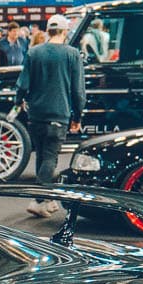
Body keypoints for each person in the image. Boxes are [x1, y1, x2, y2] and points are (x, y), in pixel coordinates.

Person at [20, 22, 87, 216]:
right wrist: (78, 115)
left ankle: (47, 199)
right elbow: (78, 91)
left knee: (42, 156)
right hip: (59, 114)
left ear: (48, 31)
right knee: (50, 157)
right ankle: (38, 200)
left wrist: (19, 101)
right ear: (65, 31)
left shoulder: (34, 52)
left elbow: (22, 84)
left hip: (36, 114)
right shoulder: (72, 54)